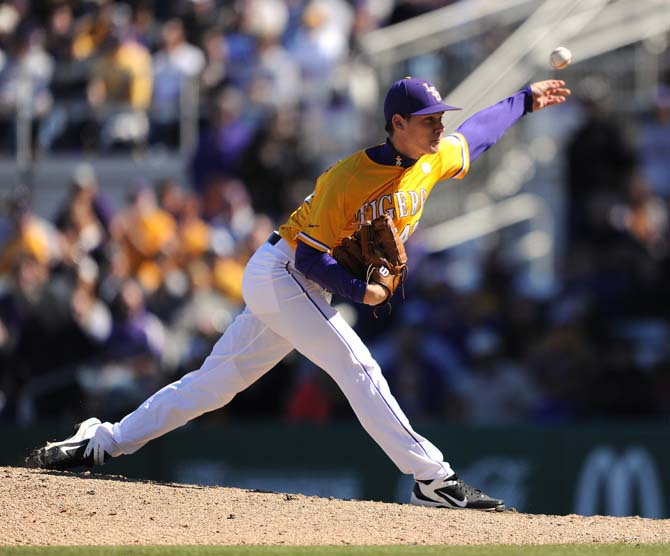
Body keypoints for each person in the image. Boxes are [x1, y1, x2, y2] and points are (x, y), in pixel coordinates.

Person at [26, 76, 570, 511]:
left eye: (438, 119)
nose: (437, 128)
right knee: (358, 366)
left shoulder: (429, 160)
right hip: (281, 271)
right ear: (397, 123)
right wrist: (363, 291)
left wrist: (523, 100)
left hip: (302, 287)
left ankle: (101, 441)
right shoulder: (347, 179)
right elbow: (310, 257)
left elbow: (476, 134)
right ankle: (434, 478)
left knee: (212, 387)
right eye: (427, 120)